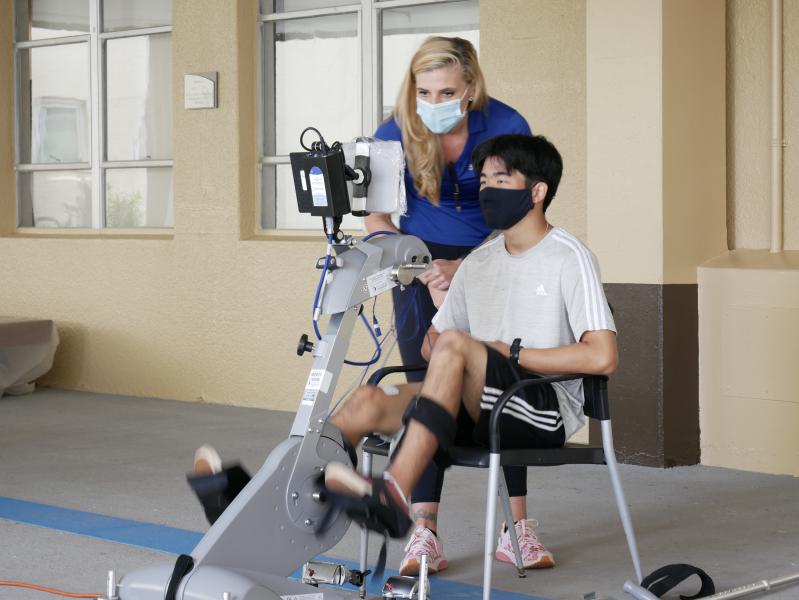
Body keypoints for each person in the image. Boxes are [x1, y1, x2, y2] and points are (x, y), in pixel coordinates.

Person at [324, 133, 619, 572]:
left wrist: (512, 353)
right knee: (370, 399)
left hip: (541, 406)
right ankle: (290, 490)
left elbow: (602, 357)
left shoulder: (569, 257)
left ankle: (395, 493)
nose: (486, 190)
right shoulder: (478, 261)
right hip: (476, 402)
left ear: (537, 192)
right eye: (482, 181)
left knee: (455, 347)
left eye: (501, 178)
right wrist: (442, 329)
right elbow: (433, 344)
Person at [367, 36, 533, 575]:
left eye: (446, 91)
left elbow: (519, 214)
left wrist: (466, 270)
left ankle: (519, 529)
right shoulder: (394, 132)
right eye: (423, 91)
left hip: (493, 259)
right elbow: (377, 220)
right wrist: (422, 272)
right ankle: (425, 532)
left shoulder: (507, 125)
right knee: (426, 386)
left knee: (504, 380)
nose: (433, 101)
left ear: (471, 88)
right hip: (418, 266)